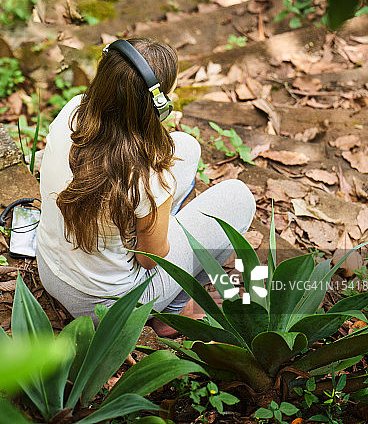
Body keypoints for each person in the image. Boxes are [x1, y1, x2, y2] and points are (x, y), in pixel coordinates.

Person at [35, 37, 256, 336]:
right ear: (159, 107)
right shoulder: (148, 175)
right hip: (108, 308)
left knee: (186, 148)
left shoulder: (74, 110)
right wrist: (158, 227)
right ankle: (174, 313)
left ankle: (130, 231)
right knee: (238, 198)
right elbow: (150, 259)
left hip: (51, 270)